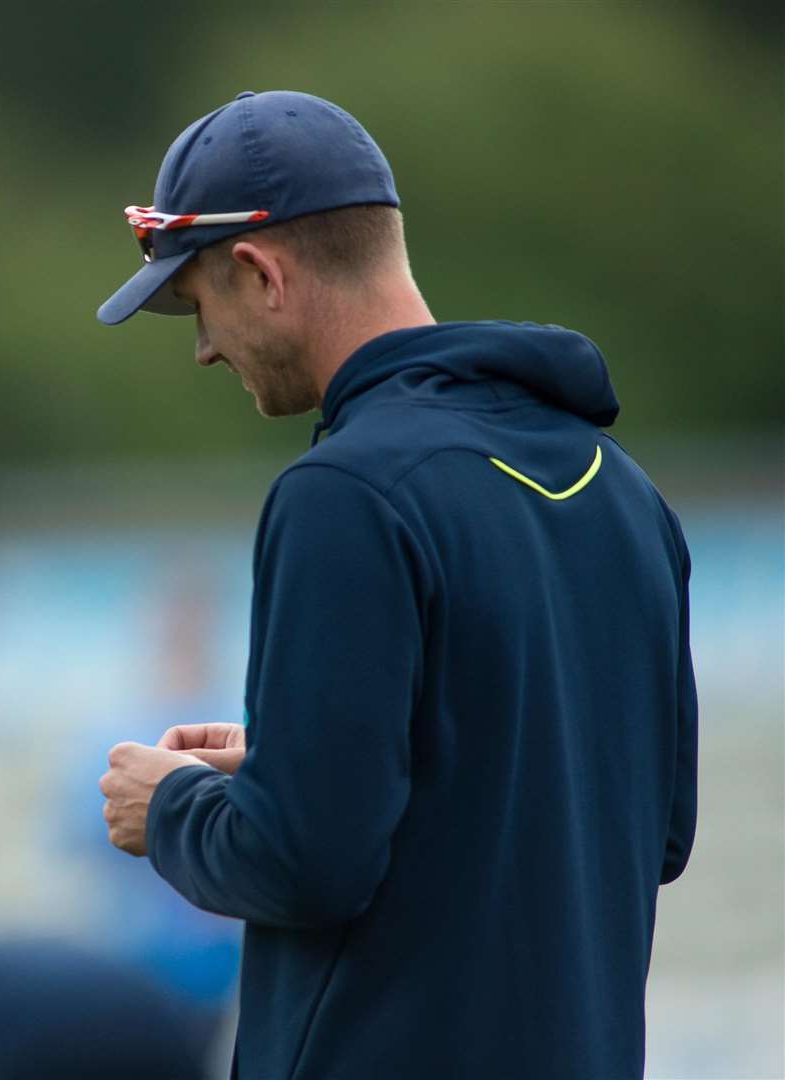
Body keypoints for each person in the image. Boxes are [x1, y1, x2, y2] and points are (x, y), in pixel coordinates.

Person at [94, 91, 696, 1079]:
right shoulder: (622, 491)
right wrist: (315, 756)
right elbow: (646, 829)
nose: (203, 347)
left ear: (258, 272)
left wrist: (171, 813)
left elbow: (307, 861)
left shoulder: (345, 494)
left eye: (196, 305)